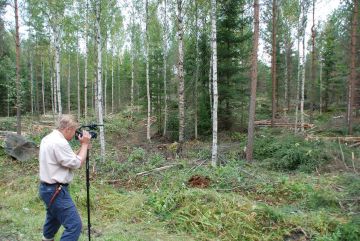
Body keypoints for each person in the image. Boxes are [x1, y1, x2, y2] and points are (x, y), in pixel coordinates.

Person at [39, 115, 91, 241]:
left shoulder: (48, 138)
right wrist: (84, 145)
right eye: (74, 131)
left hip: (47, 189)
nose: (74, 134)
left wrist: (82, 147)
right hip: (56, 190)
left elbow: (69, 159)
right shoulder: (60, 142)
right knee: (74, 226)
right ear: (68, 128)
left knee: (53, 219)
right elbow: (76, 164)